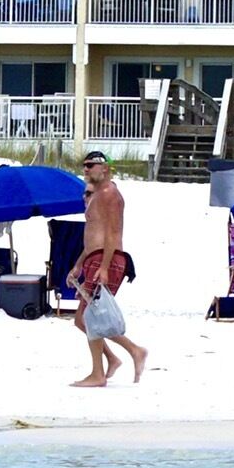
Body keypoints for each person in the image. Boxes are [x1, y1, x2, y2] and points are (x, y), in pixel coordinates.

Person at [69, 151, 148, 386]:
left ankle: (99, 373)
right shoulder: (97, 196)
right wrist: (78, 265)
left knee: (90, 316)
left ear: (104, 168)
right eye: (84, 165)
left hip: (108, 259)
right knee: (82, 319)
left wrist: (103, 267)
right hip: (96, 258)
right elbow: (94, 236)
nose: (85, 169)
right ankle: (117, 357)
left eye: (90, 165)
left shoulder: (110, 194)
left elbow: (113, 233)